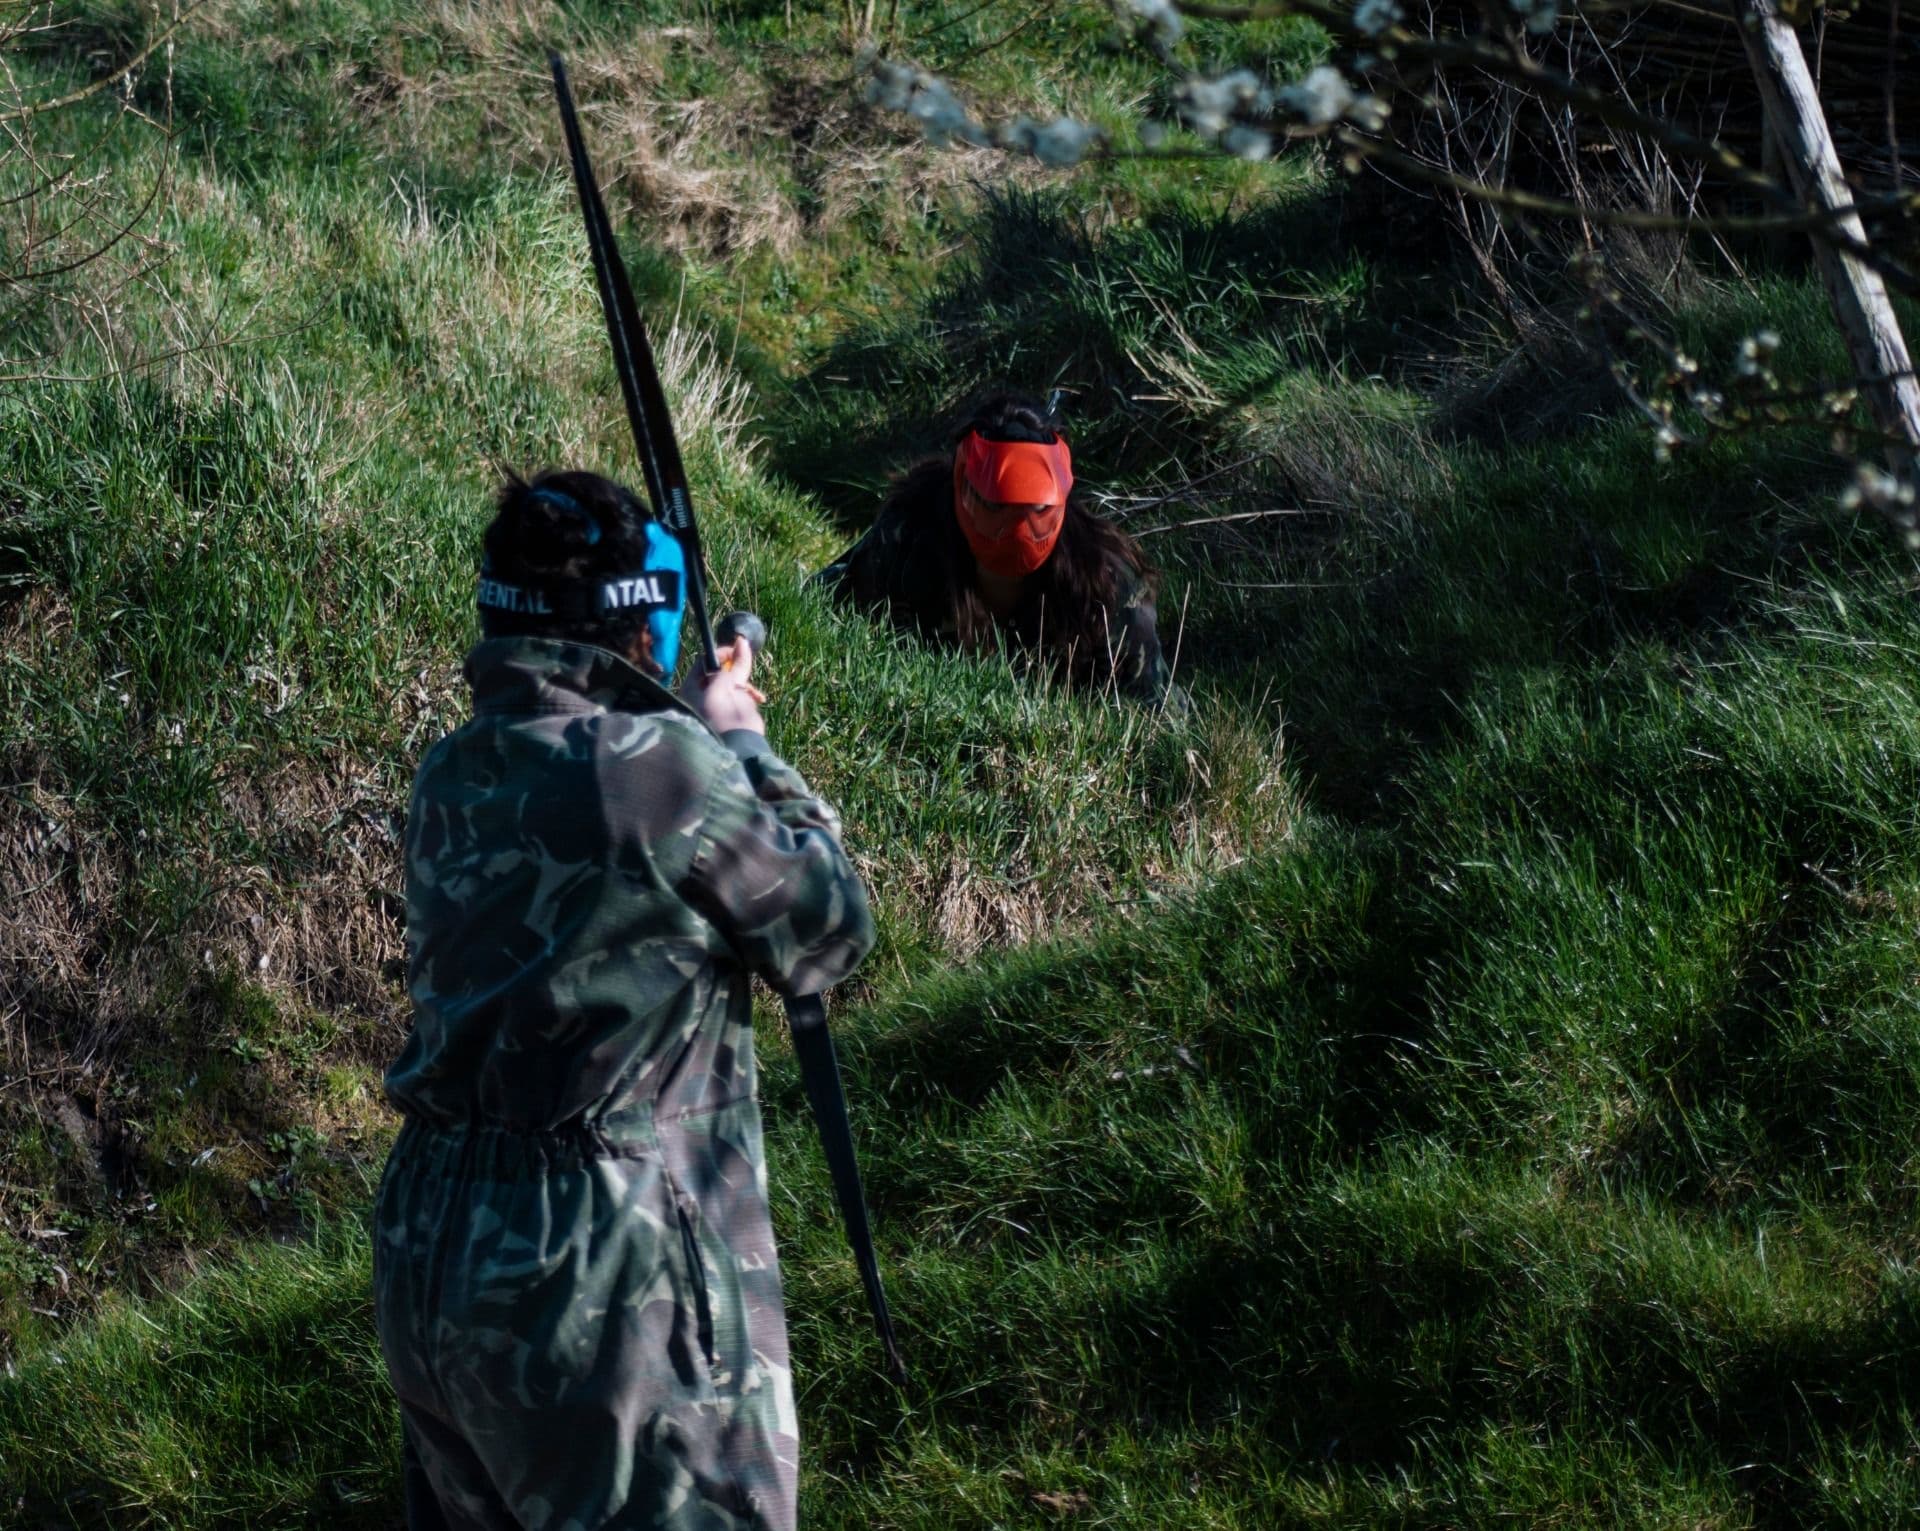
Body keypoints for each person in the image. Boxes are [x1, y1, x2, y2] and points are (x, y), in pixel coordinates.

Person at [372, 469, 875, 1531]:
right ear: (642, 623)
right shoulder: (668, 767)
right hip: (601, 1269)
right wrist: (741, 740)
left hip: (430, 1252)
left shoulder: (450, 771)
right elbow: (828, 927)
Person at [813, 392, 1184, 708]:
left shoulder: (1106, 583)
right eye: (996, 506)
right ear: (963, 485)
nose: (1018, 529)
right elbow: (820, 605)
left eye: (1037, 510)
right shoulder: (910, 531)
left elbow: (1157, 718)